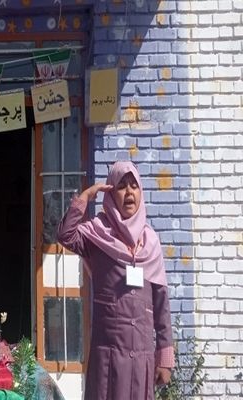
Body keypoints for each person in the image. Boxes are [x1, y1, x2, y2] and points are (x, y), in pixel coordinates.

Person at [57, 161, 174, 400]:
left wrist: (164, 358)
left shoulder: (150, 243)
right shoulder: (98, 235)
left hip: (142, 358)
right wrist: (86, 197)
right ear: (110, 194)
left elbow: (161, 305)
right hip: (108, 360)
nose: (129, 192)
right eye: (121, 186)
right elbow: (65, 235)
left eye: (134, 186)